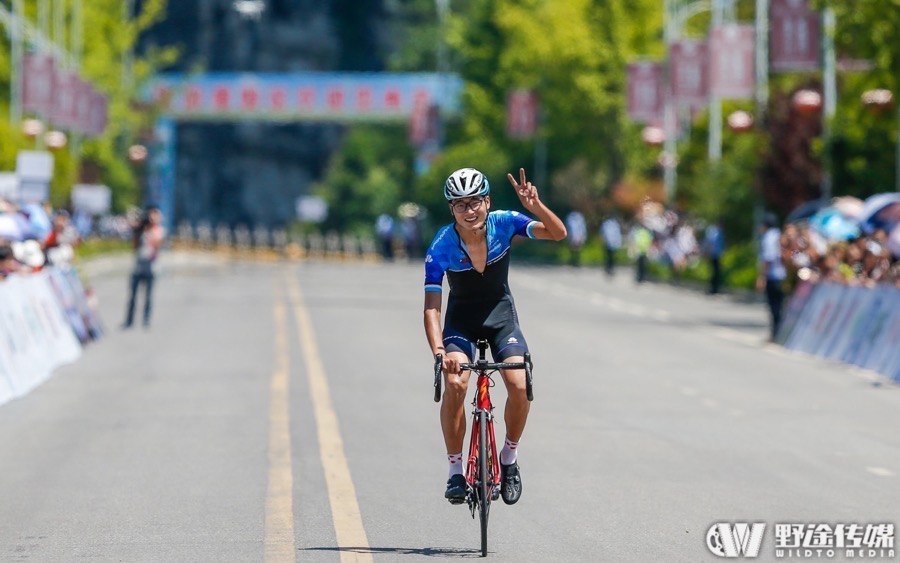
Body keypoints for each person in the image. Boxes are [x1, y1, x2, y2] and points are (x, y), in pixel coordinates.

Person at [423, 167, 566, 506]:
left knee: (518, 384)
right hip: (461, 323)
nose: (469, 211)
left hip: (501, 318)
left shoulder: (505, 222)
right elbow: (432, 308)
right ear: (451, 209)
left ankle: (509, 458)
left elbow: (558, 234)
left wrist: (536, 204)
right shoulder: (442, 245)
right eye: (460, 205)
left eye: (475, 202)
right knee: (456, 383)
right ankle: (455, 469)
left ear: (487, 202)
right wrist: (439, 351)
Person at [123, 207, 165, 329]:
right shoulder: (140, 229)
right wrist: (138, 229)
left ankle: (146, 318)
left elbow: (157, 243)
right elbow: (134, 245)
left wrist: (150, 230)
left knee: (148, 295)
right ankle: (129, 319)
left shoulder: (159, 230)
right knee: (133, 295)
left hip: (151, 266)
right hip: (138, 266)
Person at [756, 212, 787, 342]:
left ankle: (775, 334)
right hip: (783, 275)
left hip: (773, 276)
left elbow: (768, 258)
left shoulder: (768, 238)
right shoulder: (780, 235)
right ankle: (778, 333)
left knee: (774, 307)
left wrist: (762, 276)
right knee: (780, 306)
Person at [703, 218, 725, 294]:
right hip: (713, 254)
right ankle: (713, 288)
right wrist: (707, 253)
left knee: (716, 272)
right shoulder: (715, 231)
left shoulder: (719, 231)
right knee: (715, 272)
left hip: (717, 254)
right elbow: (710, 243)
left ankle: (715, 288)